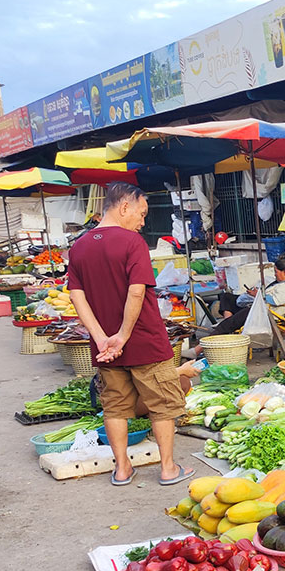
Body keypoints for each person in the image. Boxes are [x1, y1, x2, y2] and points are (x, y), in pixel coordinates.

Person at [67, 182, 194, 488]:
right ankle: (167, 469)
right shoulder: (132, 243)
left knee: (115, 407)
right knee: (162, 404)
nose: (143, 221)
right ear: (124, 207)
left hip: (105, 350)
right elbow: (136, 293)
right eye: (141, 212)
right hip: (145, 341)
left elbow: (76, 297)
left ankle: (122, 469)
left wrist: (101, 339)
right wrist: (122, 336)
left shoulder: (79, 247)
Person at [206, 255, 285, 336]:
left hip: (266, 313)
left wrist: (258, 295)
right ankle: (229, 324)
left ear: (284, 272)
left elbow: (275, 300)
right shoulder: (279, 282)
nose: (274, 274)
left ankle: (217, 333)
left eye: (276, 272)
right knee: (227, 297)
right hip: (257, 305)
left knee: (240, 316)